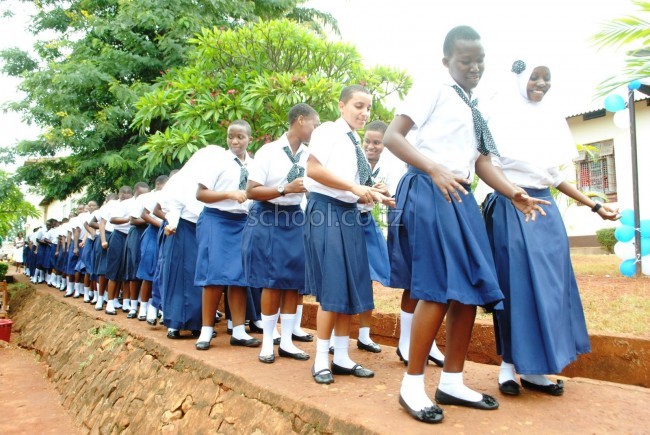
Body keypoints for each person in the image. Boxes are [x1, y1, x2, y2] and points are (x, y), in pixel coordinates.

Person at [383, 26, 548, 423]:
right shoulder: (433, 89)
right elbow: (392, 136)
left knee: (470, 288)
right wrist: (433, 168)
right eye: (465, 61)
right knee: (437, 288)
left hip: (460, 195)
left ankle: (452, 381)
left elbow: (482, 161)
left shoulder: (475, 106)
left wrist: (512, 192)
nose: (475, 67)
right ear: (447, 61)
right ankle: (412, 385)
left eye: (480, 60)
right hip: (429, 190)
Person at [482, 58, 620, 397]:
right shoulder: (499, 115)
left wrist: (595, 206)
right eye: (535, 76)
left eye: (547, 77)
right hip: (512, 207)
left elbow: (554, 178)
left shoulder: (548, 119)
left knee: (551, 290)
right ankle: (508, 367)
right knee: (514, 289)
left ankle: (536, 371)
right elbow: (488, 165)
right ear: (520, 78)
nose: (541, 83)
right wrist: (513, 193)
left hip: (545, 212)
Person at [304, 85, 394, 385]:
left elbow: (355, 190)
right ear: (341, 106)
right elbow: (313, 170)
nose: (364, 113)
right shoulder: (328, 131)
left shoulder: (354, 141)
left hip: (349, 214)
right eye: (358, 106)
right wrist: (354, 187)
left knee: (349, 285)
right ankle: (321, 359)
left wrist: (374, 193)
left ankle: (341, 357)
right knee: (332, 285)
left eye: (368, 108)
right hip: (326, 211)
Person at [242, 103, 320, 363]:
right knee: (271, 280)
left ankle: (286, 342)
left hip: (295, 217)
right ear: (301, 120)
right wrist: (284, 189)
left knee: (293, 282)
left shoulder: (310, 155)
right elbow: (251, 191)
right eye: (315, 124)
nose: (317, 130)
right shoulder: (269, 151)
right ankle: (267, 342)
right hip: (267, 214)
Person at [193, 120, 260, 350]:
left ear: (250, 139)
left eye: (240, 137)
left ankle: (239, 331)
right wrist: (229, 194)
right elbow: (201, 194)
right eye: (231, 136)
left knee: (240, 277)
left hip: (242, 222)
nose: (234, 141)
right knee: (214, 276)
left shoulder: (254, 165)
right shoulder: (218, 161)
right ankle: (206, 331)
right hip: (216, 219)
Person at [136, 175, 169, 321]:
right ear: (158, 184)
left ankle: (162, 308)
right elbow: (144, 214)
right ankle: (144, 308)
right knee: (149, 271)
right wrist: (162, 225)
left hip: (170, 234)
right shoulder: (152, 196)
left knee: (165, 272)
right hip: (153, 233)